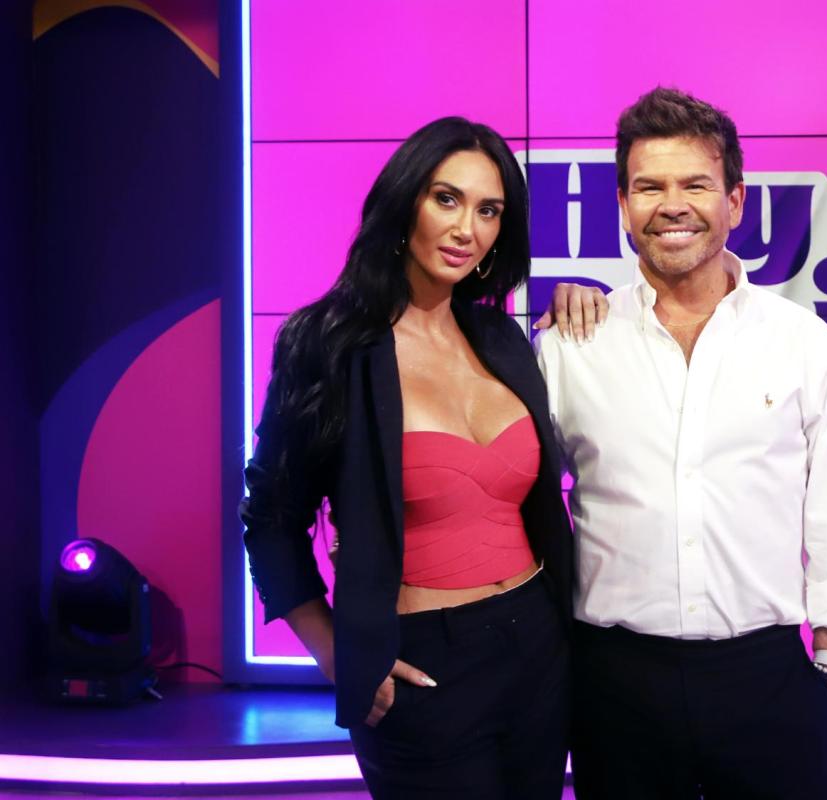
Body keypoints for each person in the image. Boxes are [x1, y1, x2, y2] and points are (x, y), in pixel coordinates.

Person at [537, 87, 827, 800]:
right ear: (623, 205)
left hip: (770, 683)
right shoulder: (570, 346)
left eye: (695, 185)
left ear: (735, 200)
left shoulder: (802, 344)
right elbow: (517, 503)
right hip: (614, 686)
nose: (673, 205)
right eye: (649, 187)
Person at [241, 117, 599, 799]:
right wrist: (336, 652)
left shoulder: (501, 337)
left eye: (489, 210)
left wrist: (586, 299)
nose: (467, 228)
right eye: (447, 199)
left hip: (539, 645)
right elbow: (271, 520)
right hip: (421, 664)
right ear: (405, 202)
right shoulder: (328, 344)